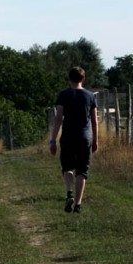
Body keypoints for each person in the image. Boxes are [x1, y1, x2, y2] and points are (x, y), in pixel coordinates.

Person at [49, 65, 99, 213]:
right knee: (82, 171)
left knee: (68, 167)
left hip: (68, 136)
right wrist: (96, 140)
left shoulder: (63, 95)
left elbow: (58, 119)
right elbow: (95, 121)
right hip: (85, 137)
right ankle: (78, 204)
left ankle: (69, 191)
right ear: (83, 79)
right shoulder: (90, 96)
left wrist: (53, 140)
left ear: (69, 79)